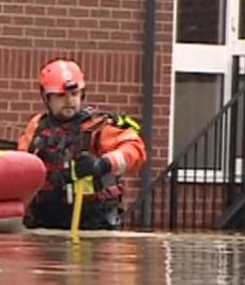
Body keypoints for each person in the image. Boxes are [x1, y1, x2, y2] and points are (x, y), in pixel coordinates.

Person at [17, 59, 147, 230]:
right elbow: (21, 163)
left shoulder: (99, 126)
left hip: (94, 224)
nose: (69, 101)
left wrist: (103, 164)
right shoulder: (37, 126)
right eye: (61, 96)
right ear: (46, 97)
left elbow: (135, 150)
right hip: (44, 221)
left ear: (82, 94)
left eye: (74, 94)